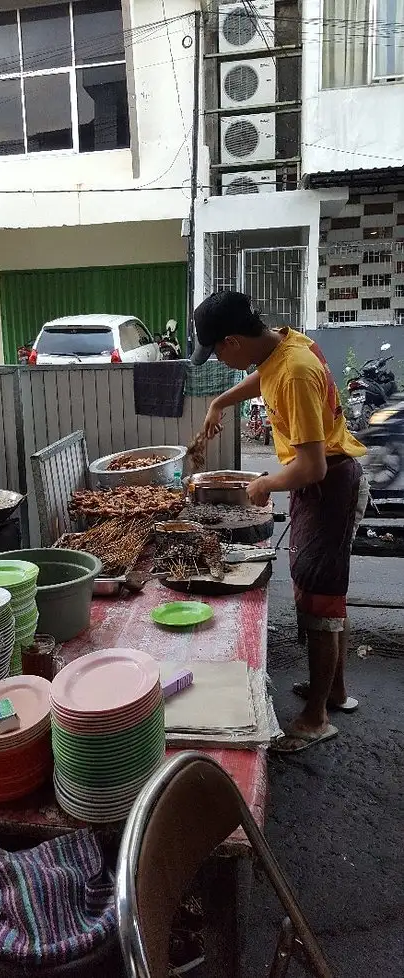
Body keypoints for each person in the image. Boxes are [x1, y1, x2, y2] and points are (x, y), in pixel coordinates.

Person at [192, 290, 369, 754]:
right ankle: (331, 690)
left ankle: (316, 719)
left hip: (326, 487)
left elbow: (312, 468)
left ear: (232, 342)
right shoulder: (287, 345)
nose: (221, 362)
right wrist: (220, 403)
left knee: (320, 597)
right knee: (325, 593)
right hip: (325, 485)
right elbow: (263, 380)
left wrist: (265, 484)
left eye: (216, 352)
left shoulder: (293, 370)